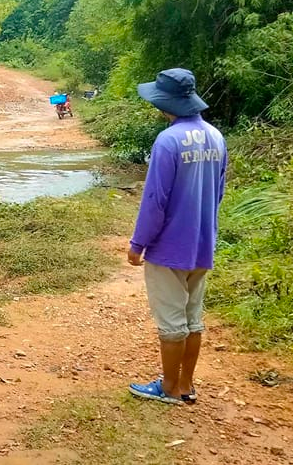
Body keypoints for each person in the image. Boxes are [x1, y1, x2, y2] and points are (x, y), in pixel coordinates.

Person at [126, 68, 227, 406]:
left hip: (168, 248)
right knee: (193, 319)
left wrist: (138, 243)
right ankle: (186, 384)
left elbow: (155, 200)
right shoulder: (216, 136)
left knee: (171, 323)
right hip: (202, 244)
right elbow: (219, 192)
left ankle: (169, 389)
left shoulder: (168, 141)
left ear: (164, 103)